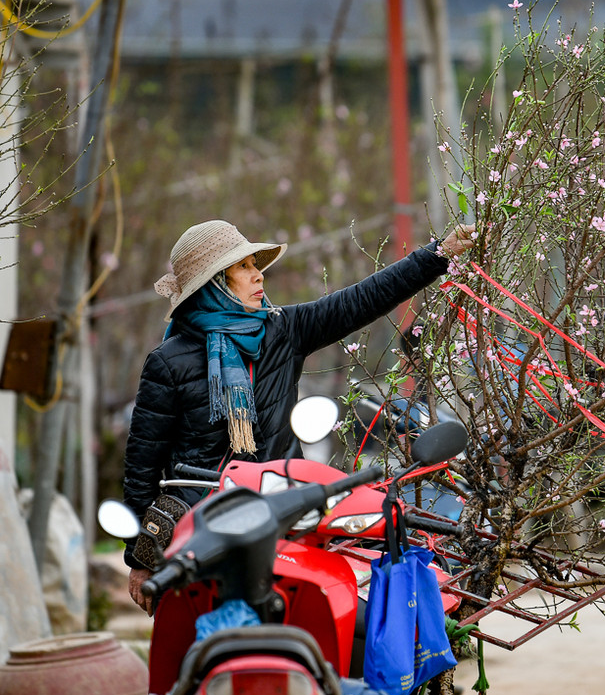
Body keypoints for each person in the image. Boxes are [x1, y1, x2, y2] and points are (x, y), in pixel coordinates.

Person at [123, 219, 475, 613]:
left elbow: (363, 299)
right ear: (214, 283)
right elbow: (142, 467)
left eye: (255, 264)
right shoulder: (168, 362)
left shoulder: (282, 331)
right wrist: (140, 558)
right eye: (243, 267)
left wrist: (439, 254)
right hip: (203, 531)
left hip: (284, 516)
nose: (259, 275)